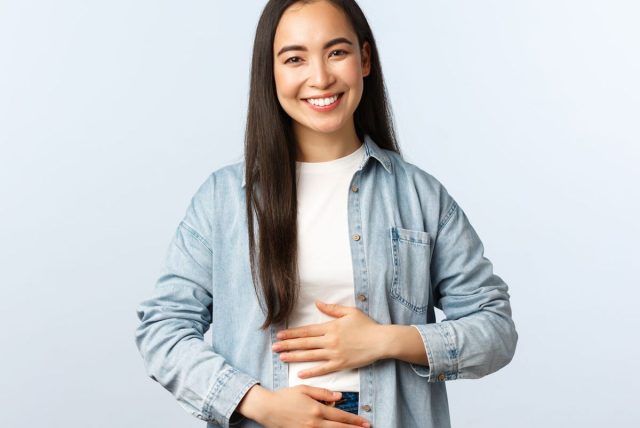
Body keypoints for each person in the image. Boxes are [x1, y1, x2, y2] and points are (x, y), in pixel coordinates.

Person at [134, 0, 518, 427]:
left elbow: (496, 331)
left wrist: (385, 340)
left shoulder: (420, 196)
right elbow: (162, 330)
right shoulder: (224, 199)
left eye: (337, 52)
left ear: (364, 59)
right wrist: (261, 404)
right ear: (271, 72)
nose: (320, 77)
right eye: (295, 58)